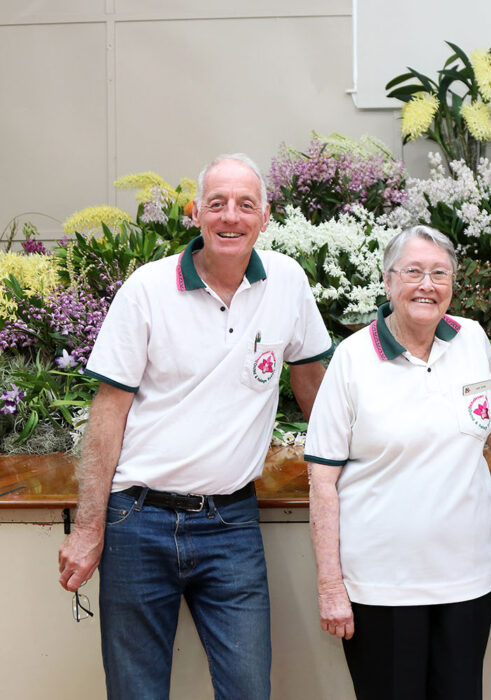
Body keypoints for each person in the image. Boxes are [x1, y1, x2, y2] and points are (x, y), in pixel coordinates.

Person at [57, 153, 332, 699]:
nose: (231, 217)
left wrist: (349, 473)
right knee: (136, 692)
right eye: (217, 204)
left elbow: (314, 391)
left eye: (245, 205)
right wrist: (89, 530)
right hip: (137, 522)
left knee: (249, 689)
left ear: (265, 216)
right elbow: (107, 413)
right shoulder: (147, 288)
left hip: (231, 524)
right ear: (196, 214)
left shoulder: (288, 283)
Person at [305, 224, 491, 700]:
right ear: (387, 280)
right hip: (382, 589)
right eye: (413, 272)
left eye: (440, 273)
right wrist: (331, 584)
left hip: (467, 581)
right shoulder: (352, 360)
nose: (427, 285)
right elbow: (322, 480)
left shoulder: (472, 338)